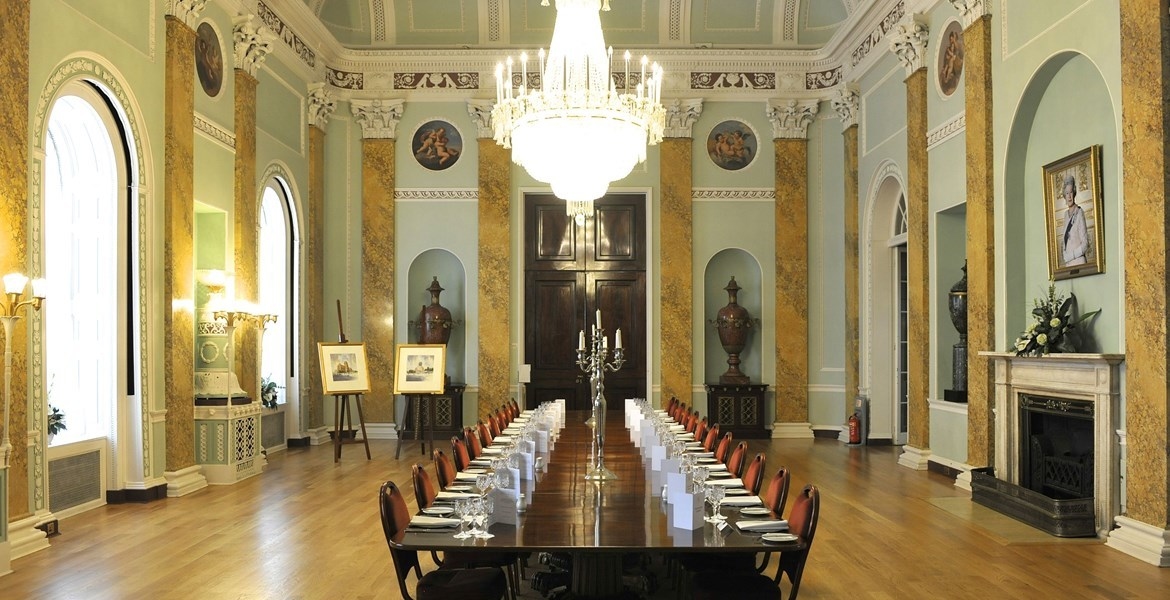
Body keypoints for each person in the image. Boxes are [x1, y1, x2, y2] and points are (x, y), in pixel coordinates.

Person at [1060, 174, 1089, 266]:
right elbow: (1065, 241)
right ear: (1064, 195)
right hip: (1069, 264)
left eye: (1071, 192)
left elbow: (1085, 244)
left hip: (1079, 262)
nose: (1069, 196)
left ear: (1074, 193)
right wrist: (1065, 254)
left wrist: (1071, 256)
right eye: (1067, 193)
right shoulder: (1065, 215)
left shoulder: (1080, 212)